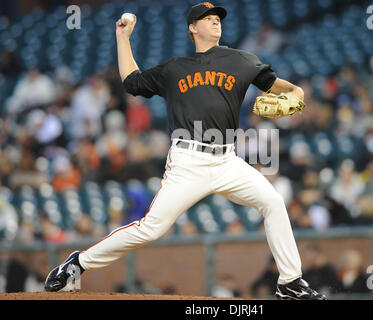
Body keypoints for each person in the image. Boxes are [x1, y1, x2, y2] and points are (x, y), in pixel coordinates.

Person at [44, 2, 325, 300]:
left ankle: (290, 282)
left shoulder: (241, 60)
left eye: (218, 18)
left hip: (227, 160)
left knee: (274, 201)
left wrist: (297, 93)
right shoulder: (175, 68)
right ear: (193, 27)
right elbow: (131, 82)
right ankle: (78, 263)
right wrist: (123, 38)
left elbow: (283, 88)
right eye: (209, 18)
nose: (216, 22)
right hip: (188, 161)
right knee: (150, 229)